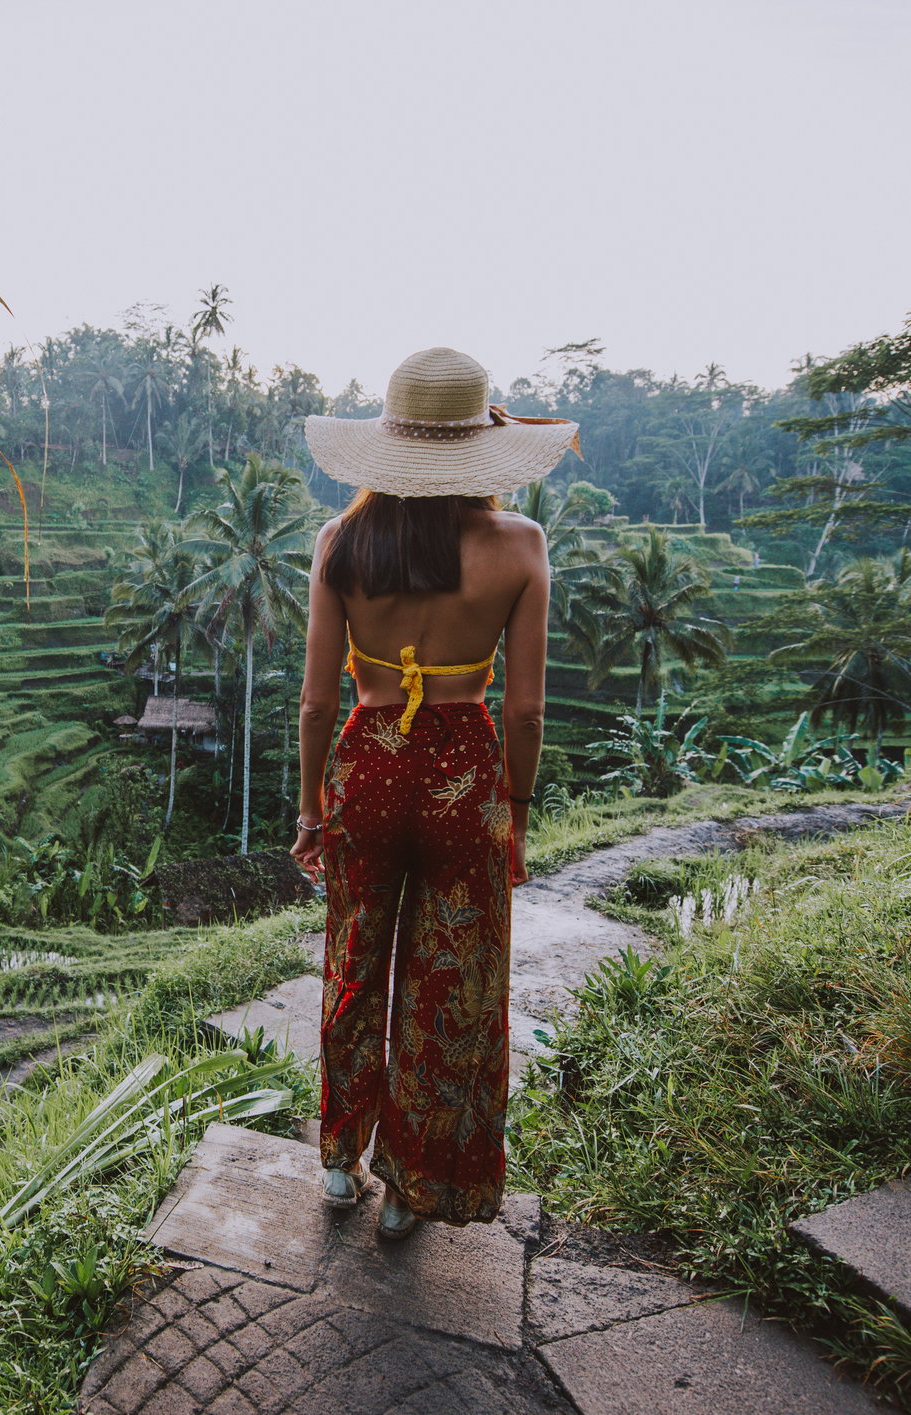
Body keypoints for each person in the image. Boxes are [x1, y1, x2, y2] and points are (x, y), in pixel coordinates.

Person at [290, 347, 571, 1240]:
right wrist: (514, 814)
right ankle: (412, 1184)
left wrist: (309, 810)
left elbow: (315, 701)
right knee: (445, 980)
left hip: (367, 762)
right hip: (464, 775)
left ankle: (339, 1161)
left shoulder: (341, 542)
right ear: (480, 452)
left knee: (353, 960)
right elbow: (523, 710)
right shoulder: (518, 546)